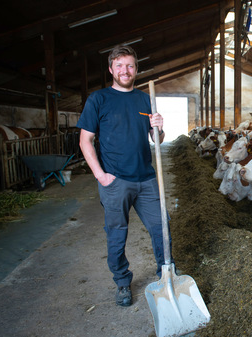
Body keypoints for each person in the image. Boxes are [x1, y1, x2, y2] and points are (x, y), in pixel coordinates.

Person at [77, 45, 171, 307]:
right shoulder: (98, 99)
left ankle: (166, 275)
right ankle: (122, 282)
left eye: (129, 65)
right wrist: (101, 176)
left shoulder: (145, 99)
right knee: (117, 234)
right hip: (115, 181)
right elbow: (86, 141)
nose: (125, 70)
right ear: (111, 70)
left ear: (136, 69)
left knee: (161, 228)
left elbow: (157, 141)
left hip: (147, 179)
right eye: (119, 66)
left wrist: (160, 128)